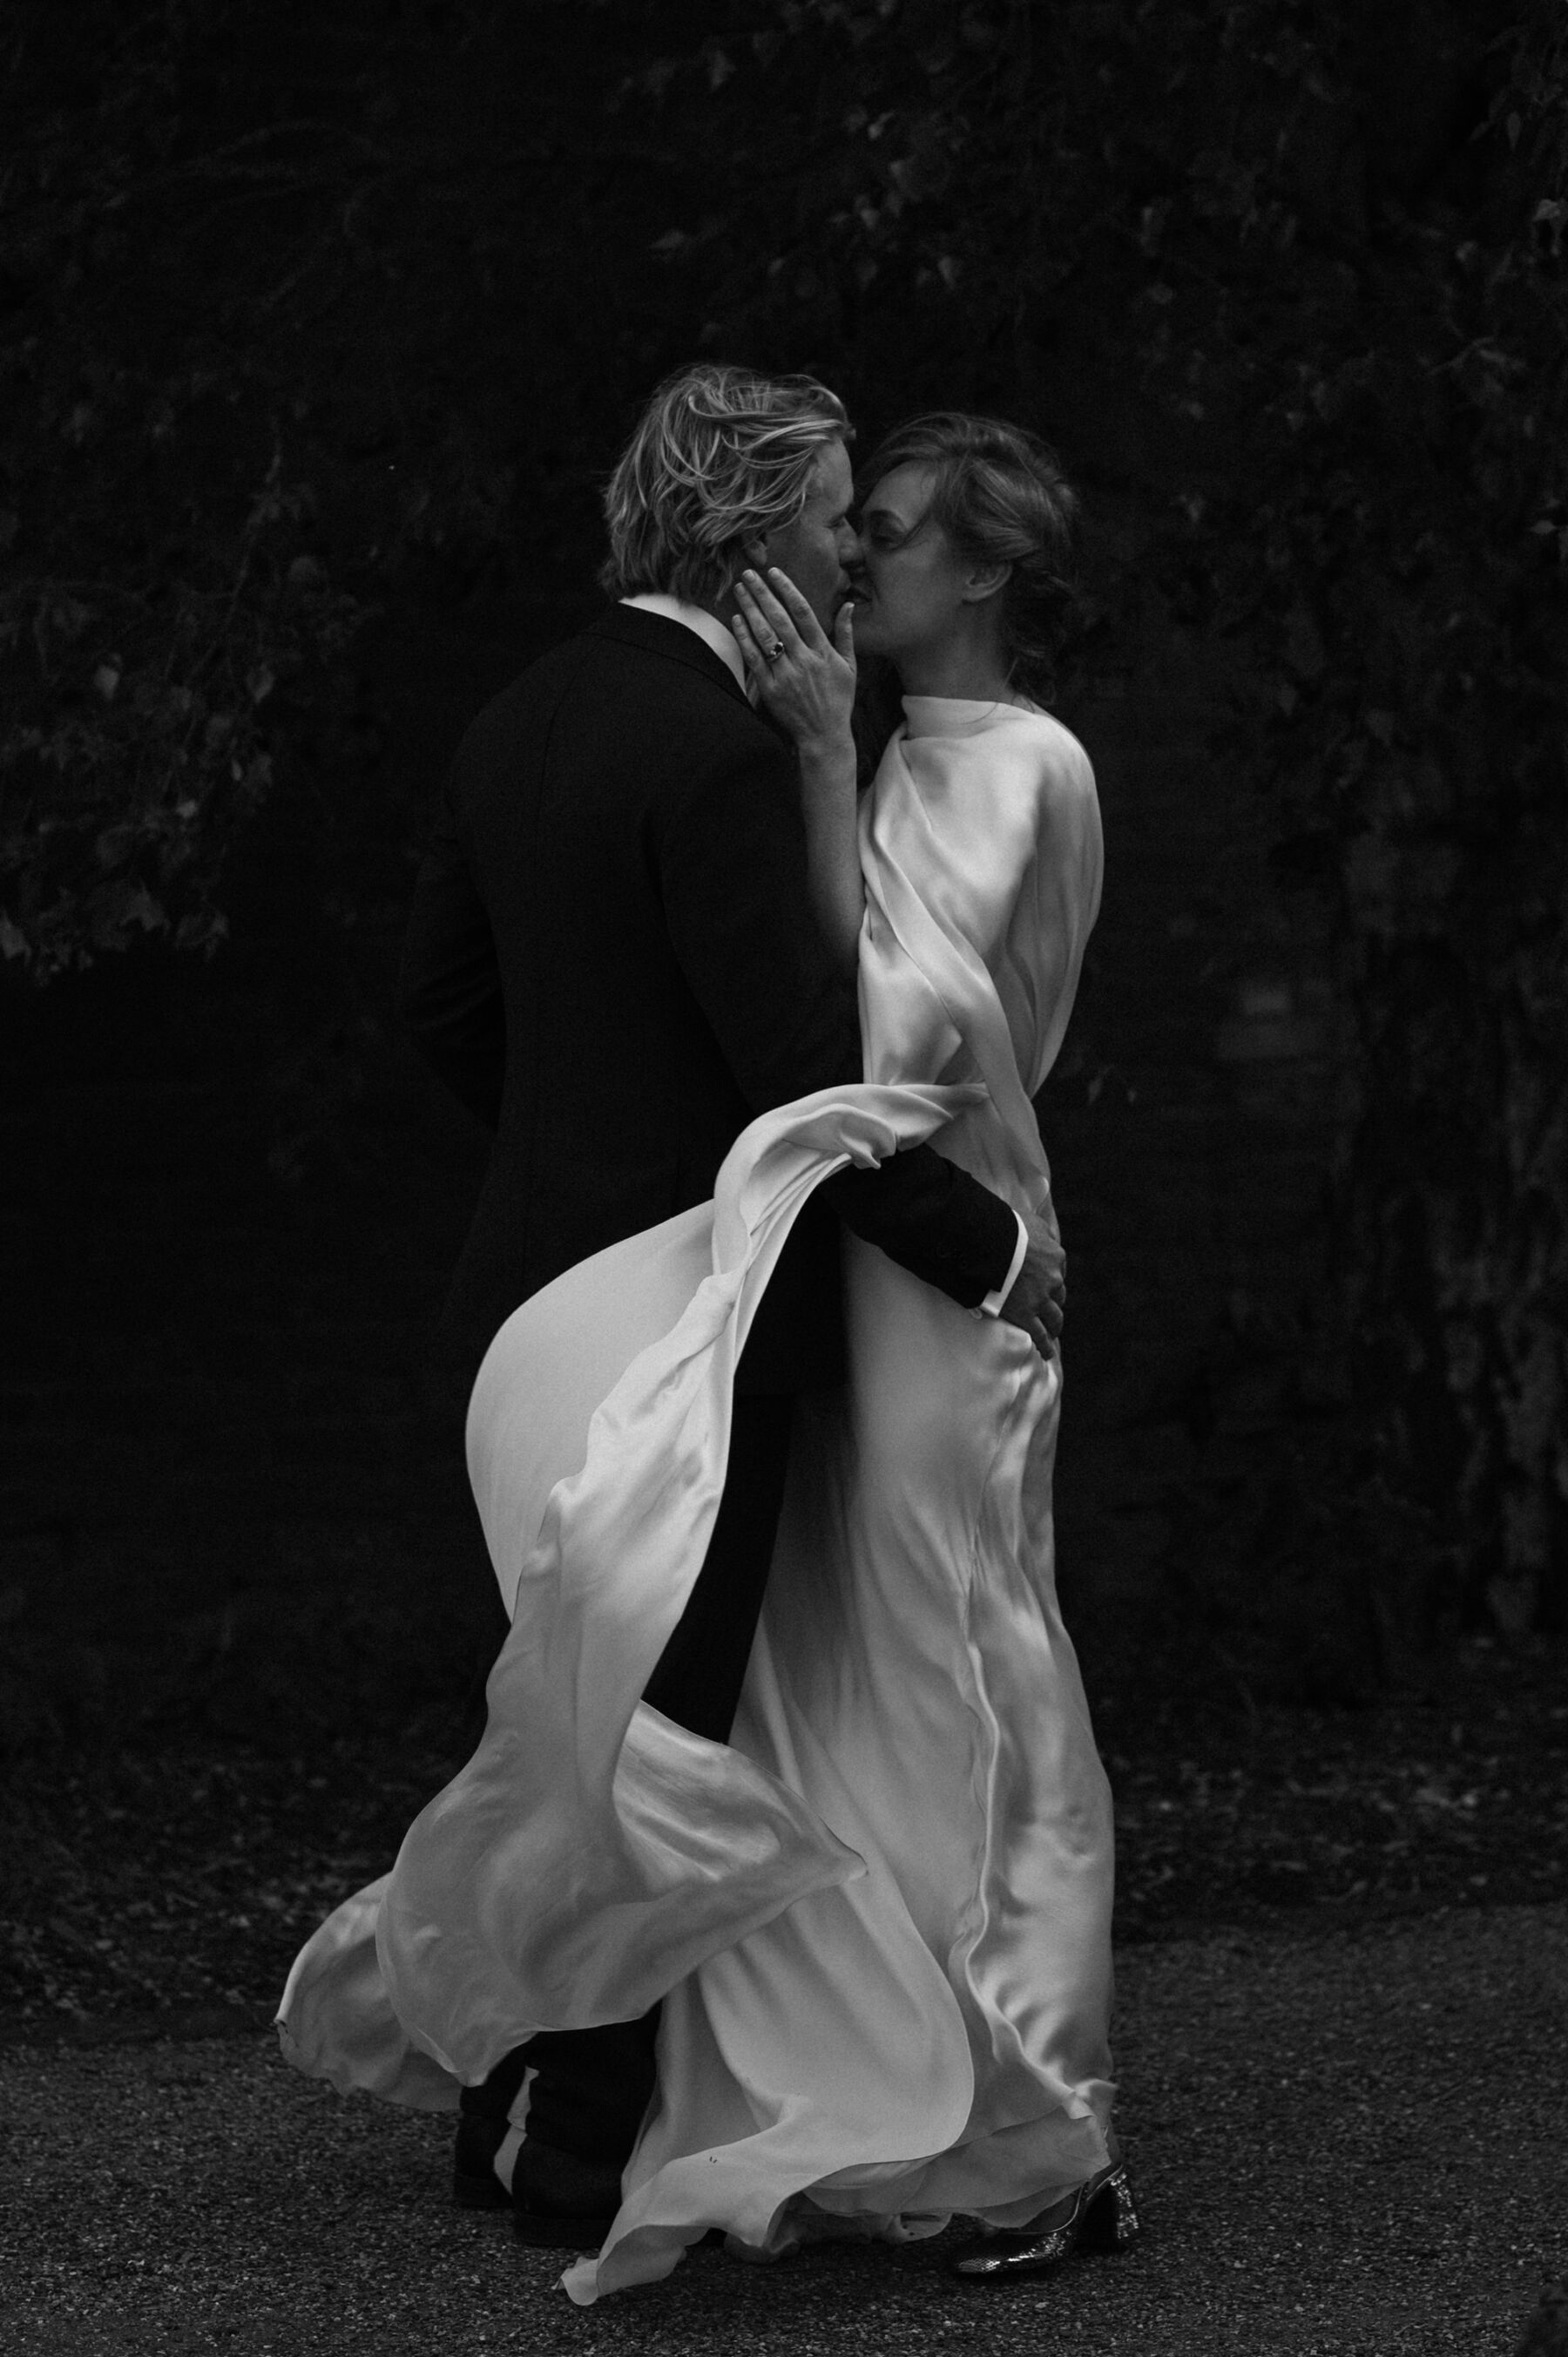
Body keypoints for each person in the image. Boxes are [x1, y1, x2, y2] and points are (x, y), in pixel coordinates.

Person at [276, 369, 1071, 2259]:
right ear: (742, 537)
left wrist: (577, 1150)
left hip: (513, 1324)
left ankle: (498, 2111)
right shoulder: (711, 748)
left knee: (586, 1733)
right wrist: (992, 1250)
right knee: (672, 1755)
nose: (839, 550)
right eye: (819, 519)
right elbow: (805, 1078)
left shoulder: (518, 718)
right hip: (661, 1339)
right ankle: (582, 2143)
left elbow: (443, 1015)